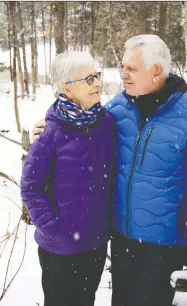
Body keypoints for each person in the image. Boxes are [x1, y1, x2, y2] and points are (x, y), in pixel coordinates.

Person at [32, 34, 187, 306]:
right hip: (121, 239)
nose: (123, 75)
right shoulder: (117, 109)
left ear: (157, 71)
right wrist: (46, 128)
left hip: (163, 244)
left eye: (131, 69)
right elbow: (79, 126)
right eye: (122, 67)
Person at [20, 51, 117, 306]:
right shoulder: (50, 133)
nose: (97, 83)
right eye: (88, 79)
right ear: (67, 88)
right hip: (60, 248)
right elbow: (31, 187)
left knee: (86, 301)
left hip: (96, 242)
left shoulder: (106, 123)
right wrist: (52, 227)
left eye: (97, 76)